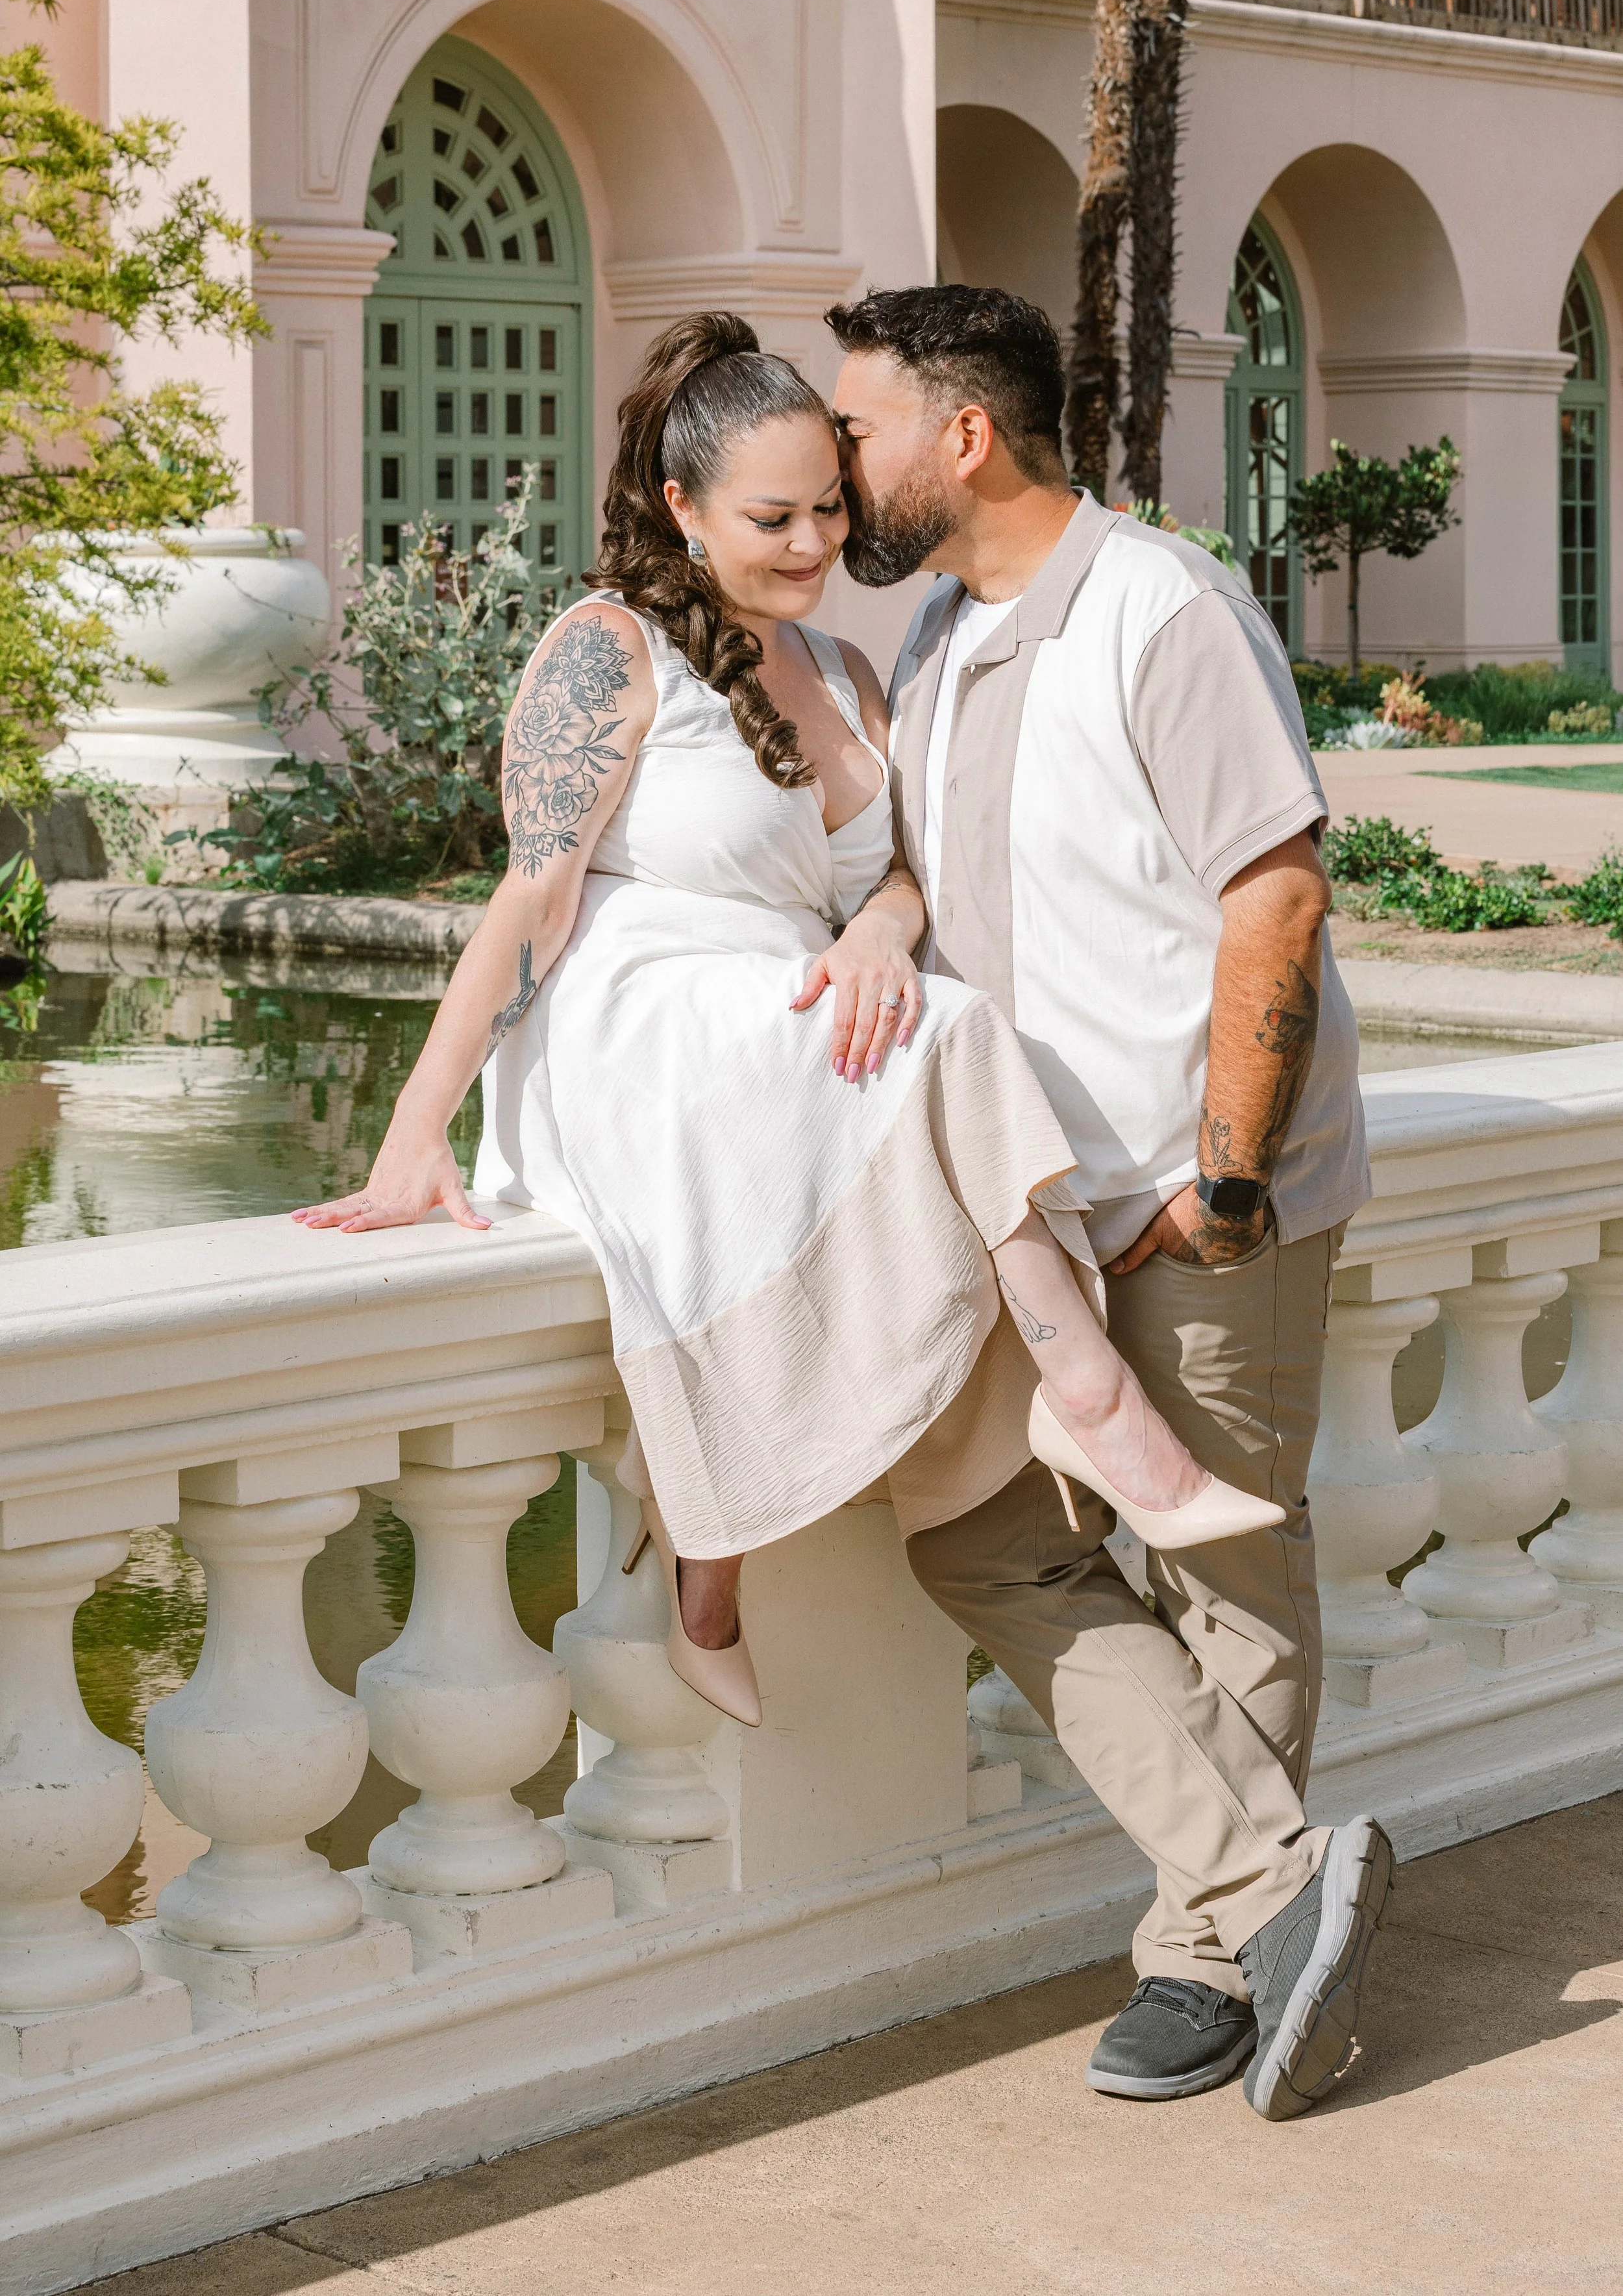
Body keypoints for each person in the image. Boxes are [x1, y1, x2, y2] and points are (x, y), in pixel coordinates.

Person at [293, 311, 1278, 1745]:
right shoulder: (605, 648)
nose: (814, 542)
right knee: (946, 1038)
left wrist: (881, 924)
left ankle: (718, 1561)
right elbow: (527, 905)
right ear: (681, 508)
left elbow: (896, 875)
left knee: (927, 1026)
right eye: (772, 517)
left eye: (829, 504)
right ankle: (1093, 1397)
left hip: (792, 1014)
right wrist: (410, 1134)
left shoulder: (847, 669)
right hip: (638, 1015)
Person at [826, 282, 1390, 2123]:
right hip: (1041, 1215)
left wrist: (1221, 1179)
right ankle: (1270, 1879)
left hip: (1191, 1197)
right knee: (980, 1538)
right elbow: (943, 873)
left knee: (1228, 1568)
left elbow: (1276, 894)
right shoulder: (931, 632)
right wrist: (883, 919)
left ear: (961, 434)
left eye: (859, 429)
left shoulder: (1159, 606)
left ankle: (1203, 1956)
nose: (841, 465)